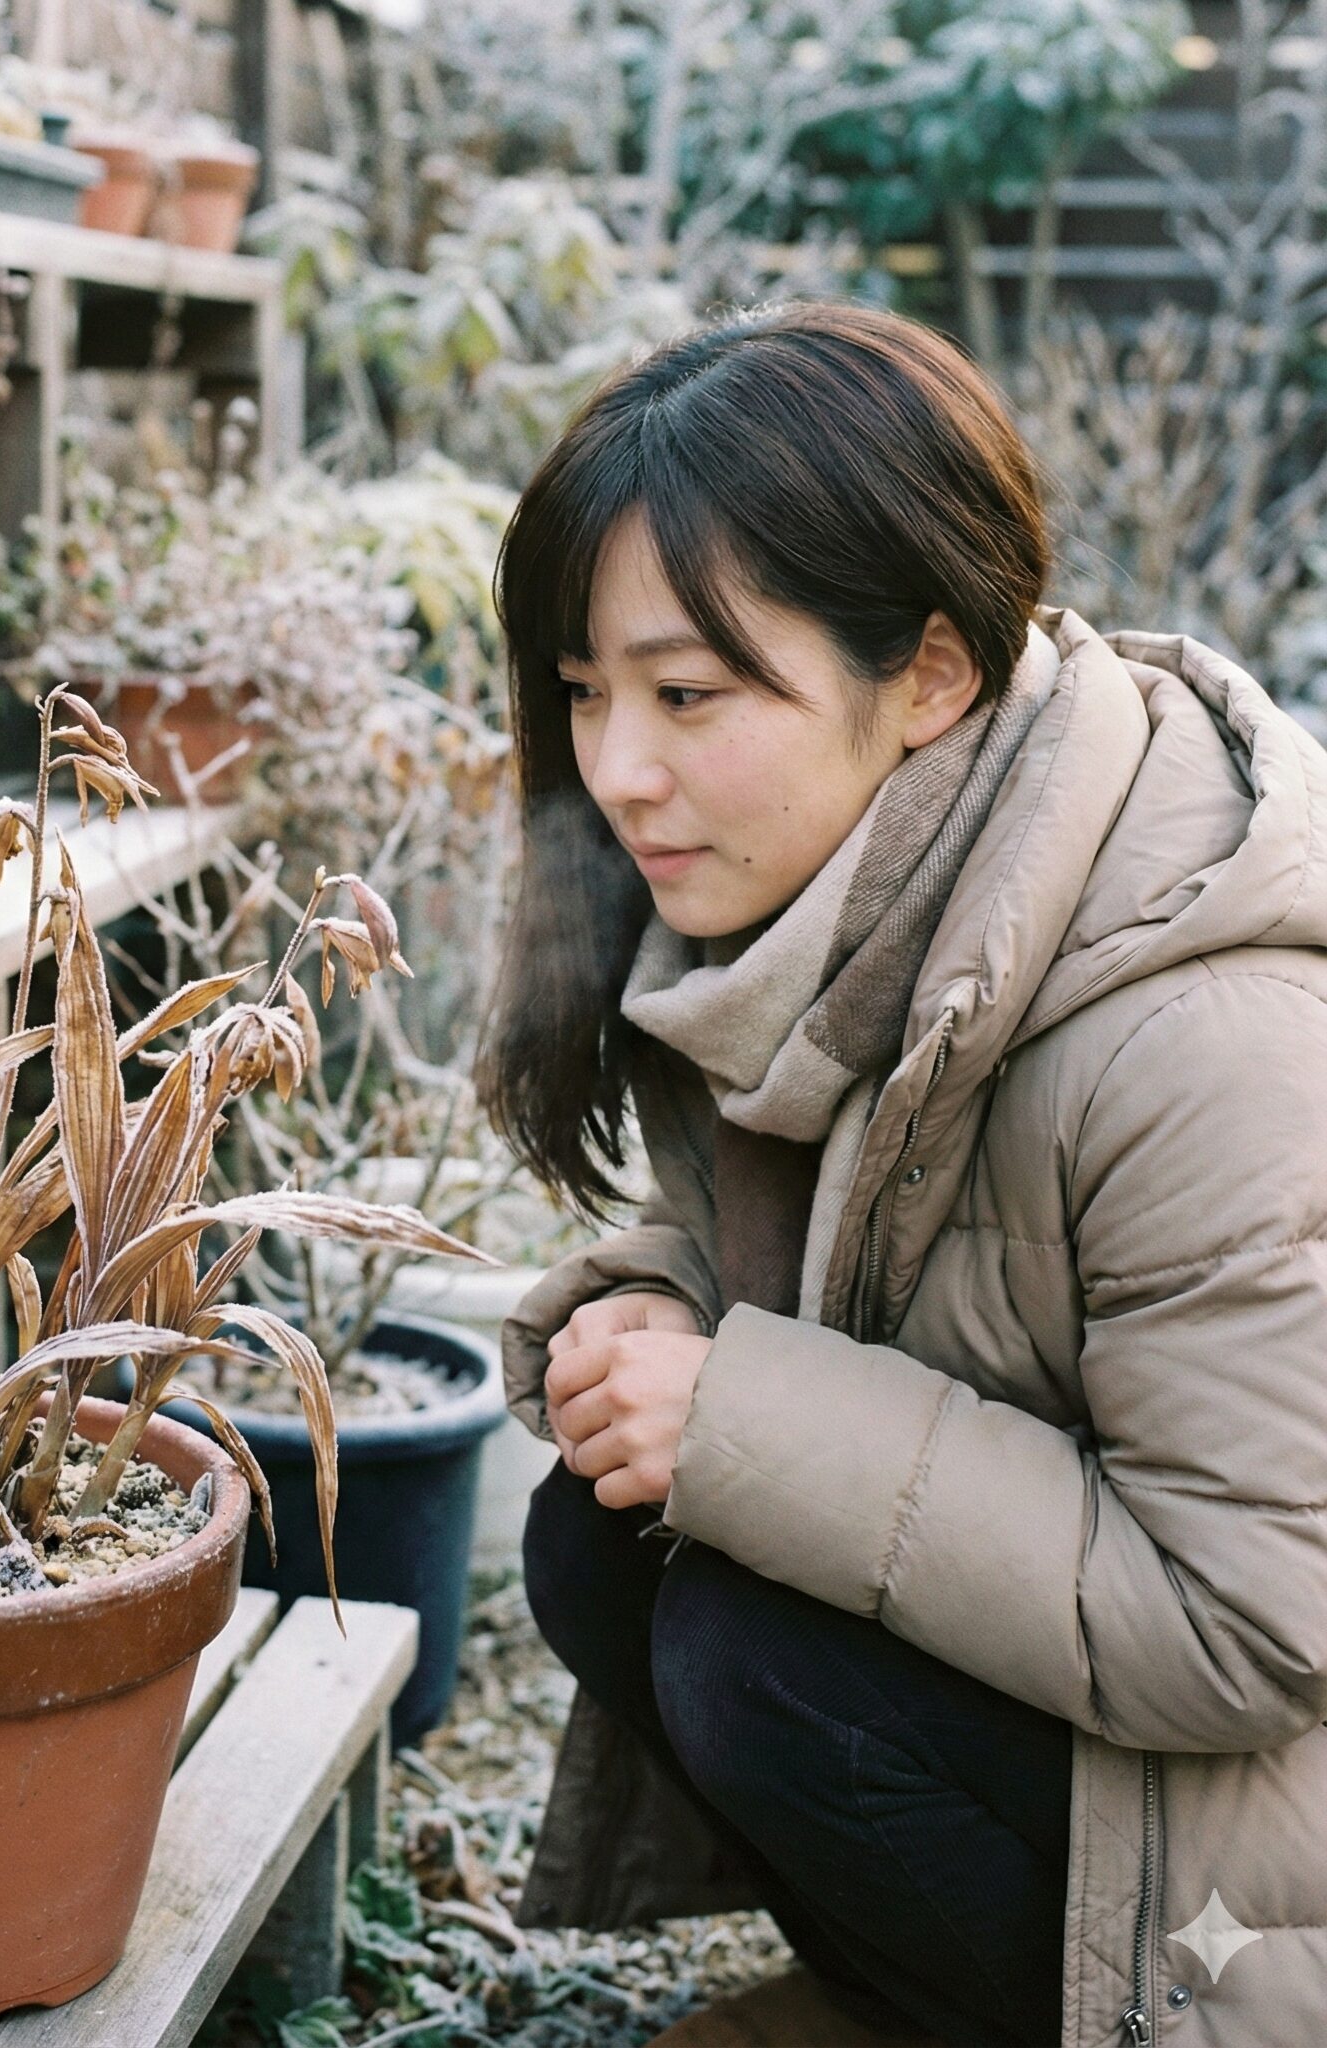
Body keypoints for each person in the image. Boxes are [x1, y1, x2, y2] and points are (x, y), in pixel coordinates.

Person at [476, 300, 1327, 2048]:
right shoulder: (839, 895)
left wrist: (742, 1418)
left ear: (932, 674)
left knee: (750, 1651)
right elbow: (878, 1265)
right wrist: (658, 1312)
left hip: (1259, 1873)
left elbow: (1256, 1624)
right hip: (1115, 1730)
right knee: (608, 1541)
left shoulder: (1203, 1035)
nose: (616, 771)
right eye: (585, 693)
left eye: (687, 694)